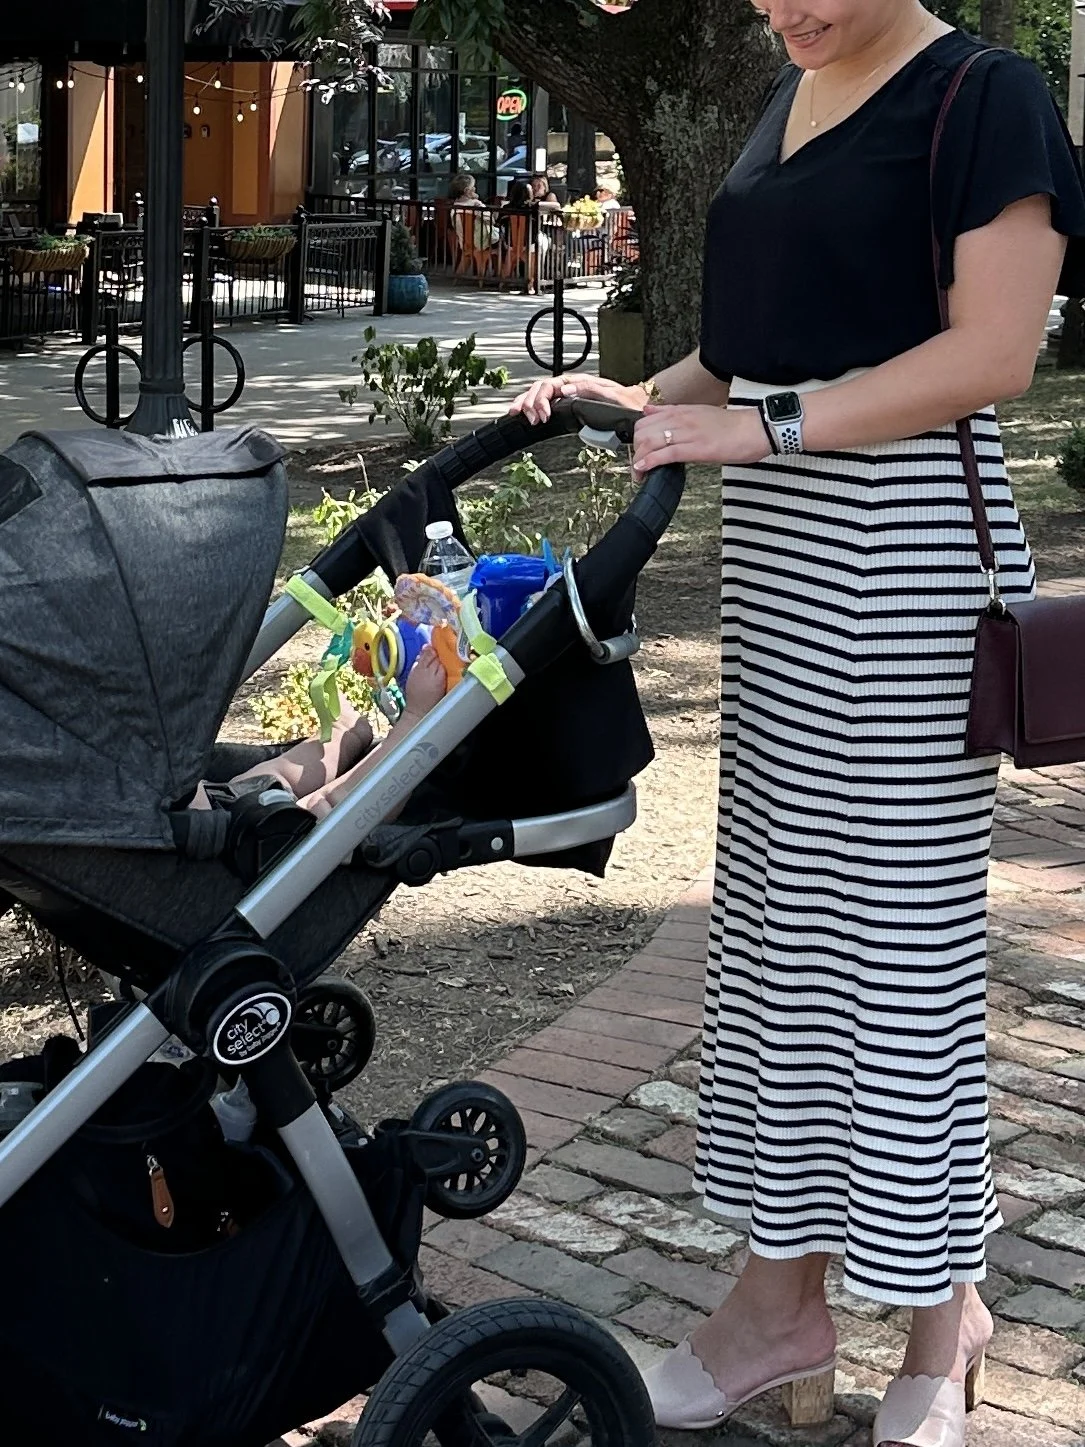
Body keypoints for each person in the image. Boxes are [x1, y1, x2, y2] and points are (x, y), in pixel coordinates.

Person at [509, 6, 1085, 1446]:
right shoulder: (794, 93)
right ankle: (779, 1302)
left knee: (894, 946)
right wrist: (642, 397)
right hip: (783, 561)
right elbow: (759, 345)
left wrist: (760, 429)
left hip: (901, 558)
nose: (784, 5)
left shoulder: (985, 95)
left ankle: (940, 1320)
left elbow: (992, 354)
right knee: (782, 931)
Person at [192, 648, 447, 823]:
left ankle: (343, 733)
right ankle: (417, 723)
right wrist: (415, 714)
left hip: (203, 803)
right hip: (227, 841)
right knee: (327, 811)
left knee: (273, 776)